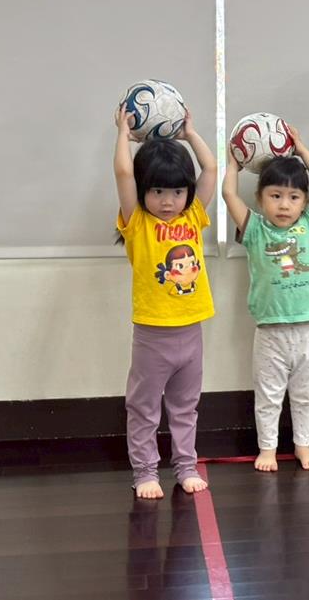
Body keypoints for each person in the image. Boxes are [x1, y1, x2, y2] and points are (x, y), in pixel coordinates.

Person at [114, 105, 216, 499]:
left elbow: (210, 169)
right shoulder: (138, 222)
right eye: (158, 191)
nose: (169, 201)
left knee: (185, 407)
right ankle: (145, 472)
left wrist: (190, 134)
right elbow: (123, 173)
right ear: (144, 191)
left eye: (176, 191)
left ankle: (186, 466)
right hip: (152, 335)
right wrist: (123, 135)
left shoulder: (193, 216)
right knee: (144, 408)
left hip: (191, 331)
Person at [222, 128, 309, 470]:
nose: (285, 204)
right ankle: (267, 449)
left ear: (304, 201)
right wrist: (233, 162)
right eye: (275, 196)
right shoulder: (255, 229)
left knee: (305, 395)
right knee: (269, 396)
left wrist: (300, 149)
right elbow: (228, 193)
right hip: (272, 331)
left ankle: (303, 445)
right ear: (260, 199)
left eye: (294, 197)